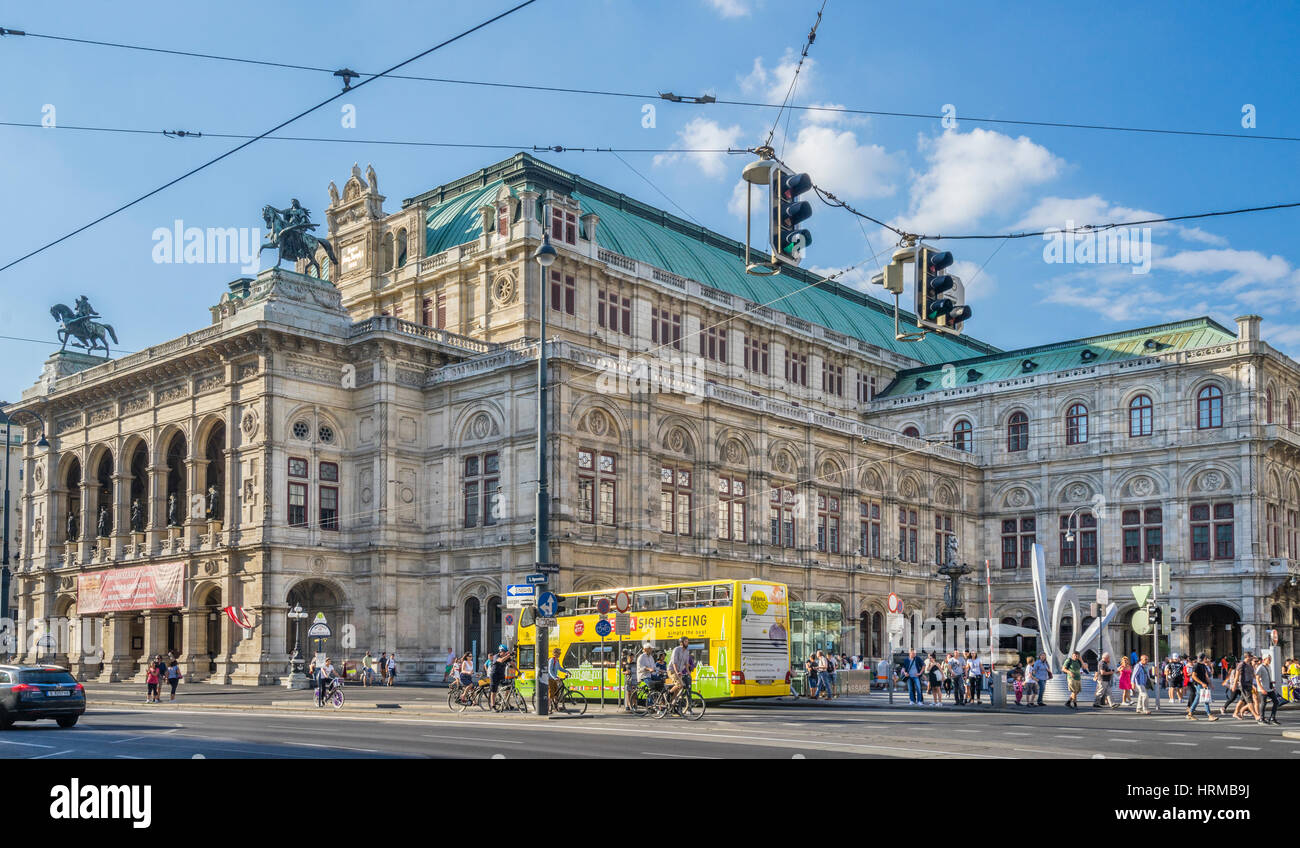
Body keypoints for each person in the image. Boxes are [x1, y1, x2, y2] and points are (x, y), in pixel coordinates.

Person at [1186, 653, 1219, 721]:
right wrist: (1202, 683)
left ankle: (1190, 714)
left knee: (1197, 699)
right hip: (1199, 684)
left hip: (1203, 684)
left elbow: (1206, 676)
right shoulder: (1196, 665)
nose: (1206, 659)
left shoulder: (1203, 665)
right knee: (1205, 699)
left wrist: (1210, 684)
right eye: (1206, 658)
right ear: (1203, 658)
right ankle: (1209, 715)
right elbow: (1193, 676)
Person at [1258, 655, 1282, 724]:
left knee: (1276, 702)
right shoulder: (1260, 667)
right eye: (1268, 659)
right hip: (1263, 689)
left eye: (1270, 659)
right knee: (1263, 703)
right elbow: (1257, 679)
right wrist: (1262, 689)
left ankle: (1272, 718)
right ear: (1264, 659)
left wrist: (1272, 686)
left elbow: (1268, 678)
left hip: (1269, 688)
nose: (1270, 661)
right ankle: (1261, 718)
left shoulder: (1268, 667)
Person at [668, 637, 693, 702]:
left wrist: (689, 673)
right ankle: (669, 693)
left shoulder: (687, 652)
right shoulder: (676, 649)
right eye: (686, 641)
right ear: (681, 643)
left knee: (679, 688)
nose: (687, 643)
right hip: (672, 670)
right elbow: (674, 662)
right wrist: (677, 672)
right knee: (680, 685)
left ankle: (671, 702)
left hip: (679, 671)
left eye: (687, 641)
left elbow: (686, 664)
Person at [488, 644, 512, 709]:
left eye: (506, 652)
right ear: (500, 651)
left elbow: (512, 664)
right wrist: (509, 655)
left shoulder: (506, 657)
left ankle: (506, 702)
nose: (505, 653)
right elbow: (501, 660)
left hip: (501, 675)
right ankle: (493, 706)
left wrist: (518, 672)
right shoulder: (496, 656)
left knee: (508, 688)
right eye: (504, 652)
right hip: (494, 675)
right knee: (494, 691)